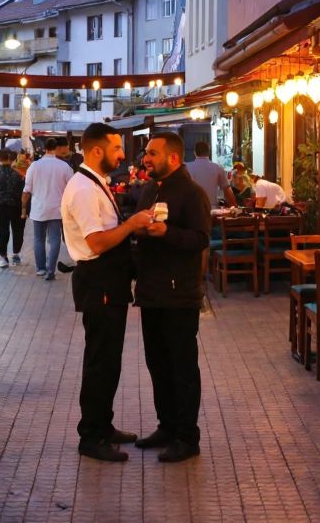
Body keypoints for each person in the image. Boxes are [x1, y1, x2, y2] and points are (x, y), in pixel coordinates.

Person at [61, 122, 156, 462]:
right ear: (97, 151)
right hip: (97, 281)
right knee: (100, 361)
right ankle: (91, 435)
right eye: (117, 148)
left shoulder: (94, 183)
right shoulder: (84, 189)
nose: (122, 154)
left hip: (107, 283)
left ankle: (103, 425)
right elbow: (96, 242)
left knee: (109, 359)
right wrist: (131, 225)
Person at [132, 132, 211, 462]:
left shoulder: (193, 194)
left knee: (181, 366)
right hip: (151, 293)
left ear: (173, 158)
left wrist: (168, 233)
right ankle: (166, 426)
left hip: (180, 295)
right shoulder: (150, 189)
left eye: (152, 153)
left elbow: (201, 238)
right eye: (146, 153)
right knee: (157, 364)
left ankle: (186, 436)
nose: (145, 158)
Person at [23, 137, 74, 281]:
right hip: (57, 209)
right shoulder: (64, 167)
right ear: (55, 148)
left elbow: (27, 189)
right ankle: (51, 269)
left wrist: (22, 208)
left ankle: (40, 269)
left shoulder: (34, 166)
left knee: (39, 239)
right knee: (55, 239)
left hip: (39, 208)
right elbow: (71, 188)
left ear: (45, 149)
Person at [0, 149, 26, 268]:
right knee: (18, 231)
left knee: (1, 232)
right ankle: (16, 255)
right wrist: (24, 209)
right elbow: (23, 193)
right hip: (16, 207)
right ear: (11, 159)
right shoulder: (18, 175)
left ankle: (3, 258)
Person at [185, 141, 233, 206]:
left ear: (195, 152)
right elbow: (227, 189)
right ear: (209, 152)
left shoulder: (186, 167)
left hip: (191, 208)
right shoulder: (217, 168)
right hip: (211, 208)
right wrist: (234, 205)